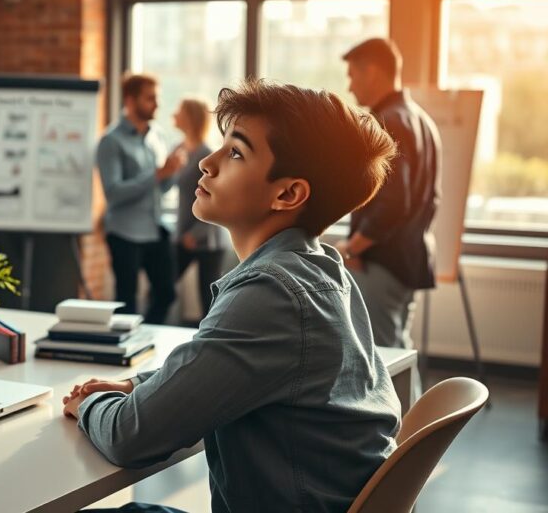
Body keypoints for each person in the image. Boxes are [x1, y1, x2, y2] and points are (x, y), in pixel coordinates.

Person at [66, 80, 401, 512]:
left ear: (288, 194)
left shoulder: (272, 294)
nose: (207, 162)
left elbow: (132, 437)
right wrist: (134, 383)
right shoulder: (322, 269)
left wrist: (87, 401)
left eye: (237, 152)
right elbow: (217, 362)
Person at [337, 38, 442, 349]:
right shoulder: (421, 119)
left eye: (353, 75)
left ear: (372, 72)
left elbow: (393, 202)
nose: (350, 87)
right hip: (407, 260)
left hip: (381, 263)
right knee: (398, 352)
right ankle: (423, 402)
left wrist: (353, 247)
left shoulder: (388, 121)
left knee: (384, 360)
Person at [97, 73, 186, 324]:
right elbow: (113, 194)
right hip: (125, 232)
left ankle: (148, 336)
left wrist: (172, 172)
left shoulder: (156, 135)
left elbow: (162, 188)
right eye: (150, 99)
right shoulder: (110, 141)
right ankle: (127, 351)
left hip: (155, 229)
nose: (156, 104)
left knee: (166, 294)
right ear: (130, 100)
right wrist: (158, 174)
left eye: (156, 98)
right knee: (127, 301)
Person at [172, 98, 230, 315]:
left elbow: (219, 199)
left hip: (208, 238)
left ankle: (211, 345)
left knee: (209, 299)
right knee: (164, 288)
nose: (174, 114)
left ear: (190, 118)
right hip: (183, 236)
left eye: (180, 110)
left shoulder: (207, 154)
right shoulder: (178, 150)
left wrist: (195, 233)